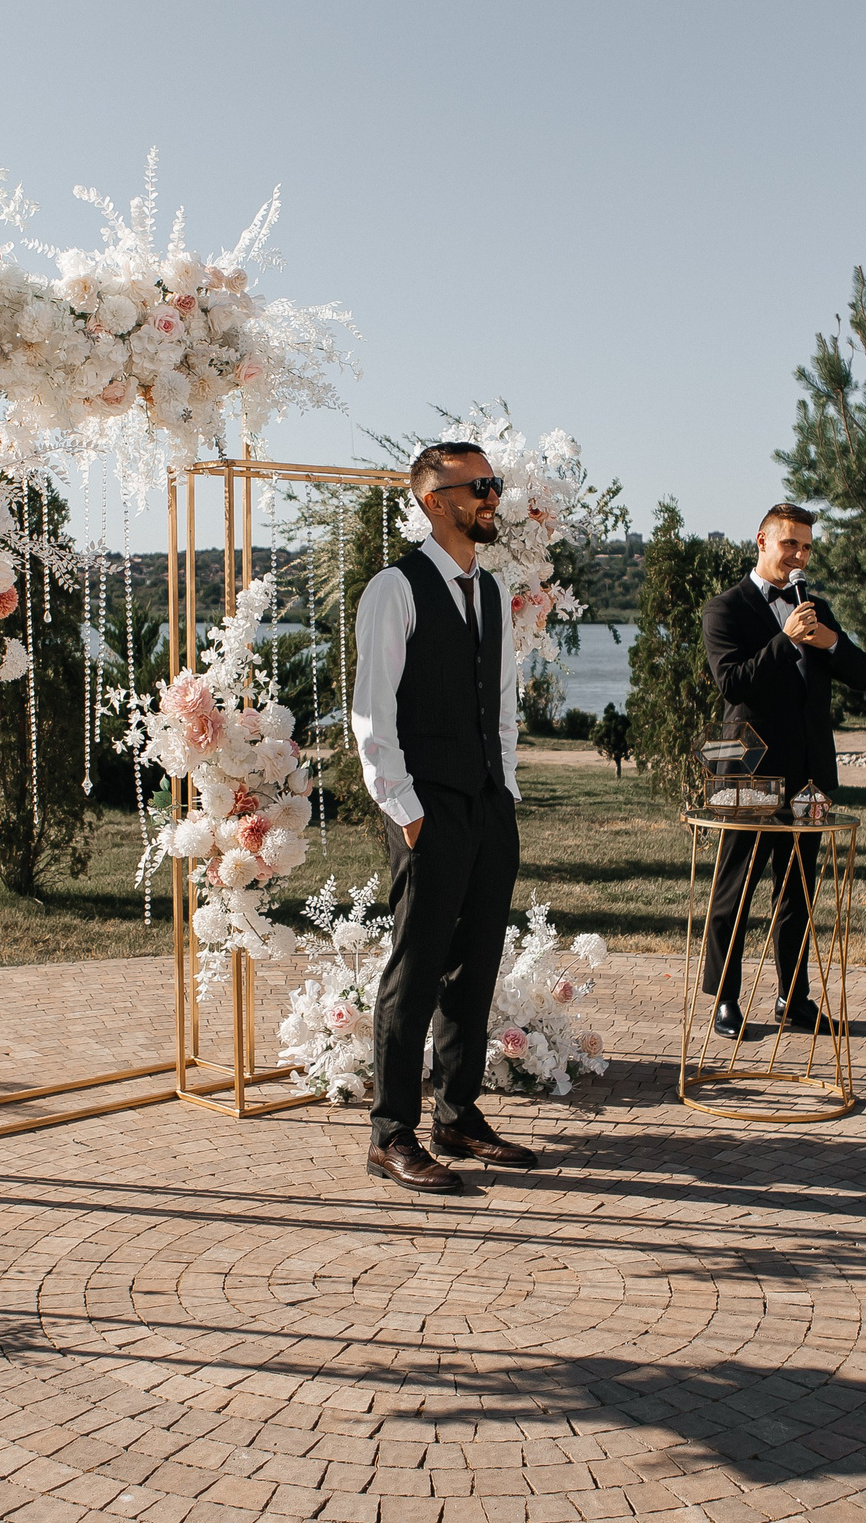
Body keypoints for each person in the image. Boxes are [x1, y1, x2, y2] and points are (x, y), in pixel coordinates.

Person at [348, 440, 535, 1194]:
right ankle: (390, 1132)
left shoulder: (490, 591)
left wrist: (507, 788)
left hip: (488, 803)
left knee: (476, 964)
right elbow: (372, 710)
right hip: (425, 805)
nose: (493, 497)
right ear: (435, 500)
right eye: (478, 486)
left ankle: (457, 1114)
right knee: (416, 969)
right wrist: (405, 809)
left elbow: (503, 707)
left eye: (493, 484)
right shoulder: (394, 588)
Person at [698, 504, 866, 1040]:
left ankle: (792, 999)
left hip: (809, 773)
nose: (798, 555)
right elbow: (733, 683)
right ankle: (725, 998)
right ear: (762, 541)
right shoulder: (725, 608)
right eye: (789, 544)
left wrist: (831, 643)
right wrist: (787, 640)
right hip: (748, 768)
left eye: (805, 546)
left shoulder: (813, 607)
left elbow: (863, 674)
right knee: (738, 884)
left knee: (797, 889)